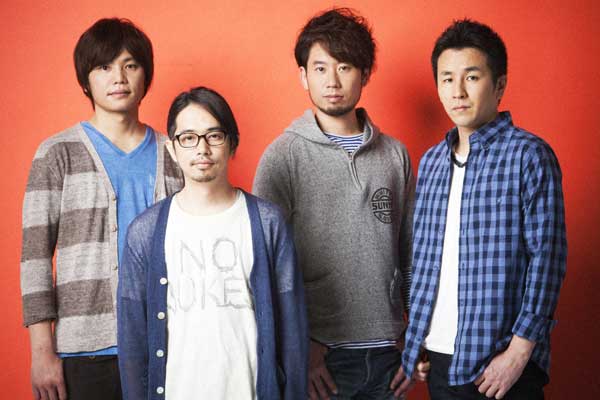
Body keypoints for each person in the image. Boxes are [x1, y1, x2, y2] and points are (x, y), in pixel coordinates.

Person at [253, 8, 417, 400]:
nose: (332, 81)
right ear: (303, 76)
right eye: (320, 68)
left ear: (365, 74)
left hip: (390, 352)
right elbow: (263, 264)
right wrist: (300, 348)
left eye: (344, 67)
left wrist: (414, 336)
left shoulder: (394, 155)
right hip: (322, 356)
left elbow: (412, 251)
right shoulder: (282, 157)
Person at [401, 19, 567, 399]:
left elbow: (548, 259)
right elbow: (425, 257)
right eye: (447, 79)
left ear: (499, 85)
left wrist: (519, 353)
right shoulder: (432, 162)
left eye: (471, 77)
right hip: (439, 360)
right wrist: (420, 337)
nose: (457, 91)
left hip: (500, 361)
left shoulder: (529, 155)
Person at [20, 18, 183, 400]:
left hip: (167, 343)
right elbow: (35, 257)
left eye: (130, 65)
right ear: (86, 80)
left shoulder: (175, 152)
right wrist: (42, 352)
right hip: (85, 351)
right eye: (104, 67)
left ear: (146, 75)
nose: (118, 78)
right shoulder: (56, 153)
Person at [117, 86, 308, 400]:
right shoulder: (145, 232)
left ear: (232, 143)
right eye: (188, 138)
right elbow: (133, 341)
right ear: (172, 149)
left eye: (214, 136)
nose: (202, 149)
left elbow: (293, 333)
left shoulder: (267, 222)